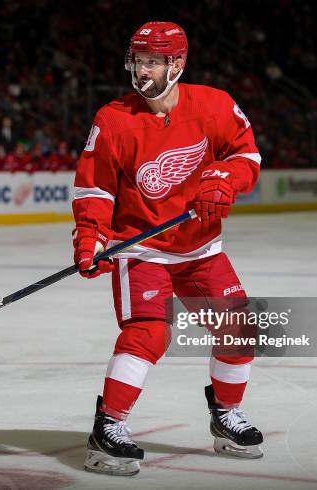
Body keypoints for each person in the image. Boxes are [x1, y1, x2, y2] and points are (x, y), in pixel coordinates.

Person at [72, 22, 263, 477]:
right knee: (148, 333)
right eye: (138, 60)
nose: (142, 70)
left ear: (177, 64)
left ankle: (226, 416)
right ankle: (108, 427)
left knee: (239, 329)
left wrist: (224, 180)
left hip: (201, 247)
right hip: (142, 250)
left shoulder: (215, 104)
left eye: (153, 61)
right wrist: (91, 238)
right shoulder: (113, 118)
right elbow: (94, 188)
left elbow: (246, 156)